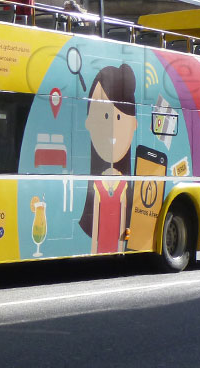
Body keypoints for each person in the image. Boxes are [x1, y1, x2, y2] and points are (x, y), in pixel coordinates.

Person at [78, 64, 138, 254]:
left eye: (120, 117)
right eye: (103, 116)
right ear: (88, 122)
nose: (112, 125)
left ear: (134, 124)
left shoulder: (126, 185)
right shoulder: (95, 185)